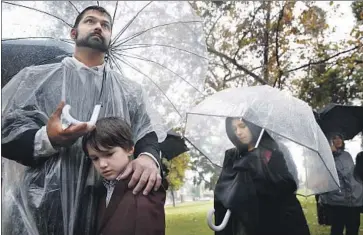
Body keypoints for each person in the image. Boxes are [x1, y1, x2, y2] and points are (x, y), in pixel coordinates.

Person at [2, 6, 165, 235]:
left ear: (109, 38)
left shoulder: (130, 92)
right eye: (90, 21)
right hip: (44, 205)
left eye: (105, 25)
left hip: (104, 206)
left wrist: (148, 158)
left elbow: (147, 133)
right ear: (73, 33)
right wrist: (48, 138)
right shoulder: (36, 79)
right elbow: (6, 134)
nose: (99, 26)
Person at [213, 117, 310, 235]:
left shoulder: (273, 151)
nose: (238, 132)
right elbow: (222, 189)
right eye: (234, 129)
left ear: (253, 125)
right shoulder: (232, 156)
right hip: (244, 223)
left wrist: (258, 169)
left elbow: (289, 185)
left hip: (274, 220)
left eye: (242, 126)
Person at [82, 117, 167, 235]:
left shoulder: (144, 184)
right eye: (95, 158)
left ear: (130, 149)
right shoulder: (98, 191)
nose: (102, 164)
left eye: (109, 154)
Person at [319, 134, 363, 235]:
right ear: (329, 141)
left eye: (340, 137)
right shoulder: (325, 157)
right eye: (334, 138)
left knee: (353, 228)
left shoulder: (346, 155)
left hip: (353, 200)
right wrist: (329, 154)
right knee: (337, 229)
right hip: (338, 201)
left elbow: (352, 175)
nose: (338, 140)